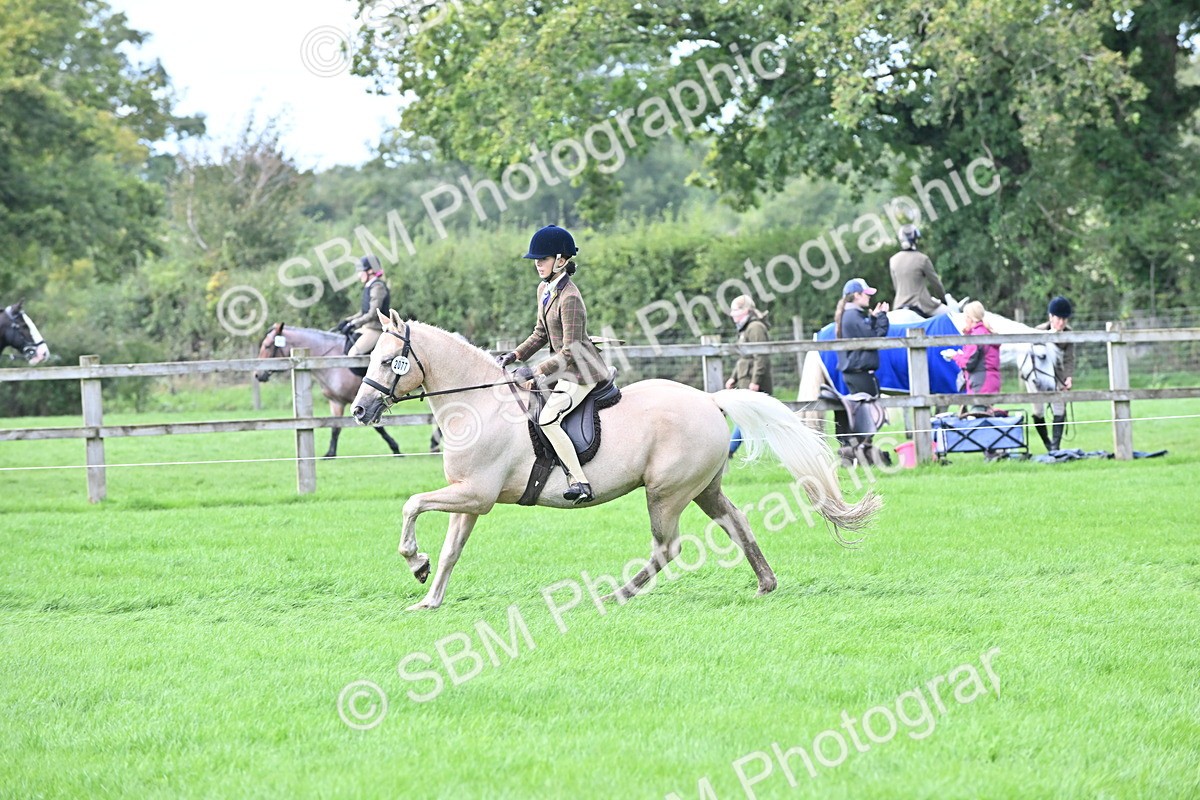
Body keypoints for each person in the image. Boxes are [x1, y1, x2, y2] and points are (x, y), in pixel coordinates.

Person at [495, 225, 608, 504]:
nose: (537, 264)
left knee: (548, 419)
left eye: (542, 259)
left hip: (580, 371)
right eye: (536, 259)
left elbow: (571, 350)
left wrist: (536, 370)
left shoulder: (570, 298)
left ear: (561, 260)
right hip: (561, 368)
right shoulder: (544, 290)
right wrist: (515, 355)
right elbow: (540, 333)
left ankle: (580, 482)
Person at [723, 295, 773, 457]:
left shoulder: (756, 328)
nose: (732, 314)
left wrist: (755, 381)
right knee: (749, 418)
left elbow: (761, 357)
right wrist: (733, 377)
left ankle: (729, 450)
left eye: (735, 310)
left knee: (747, 418)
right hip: (745, 380)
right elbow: (743, 358)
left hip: (752, 381)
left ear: (746, 310)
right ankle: (730, 450)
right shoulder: (745, 329)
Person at [1032, 295, 1076, 451]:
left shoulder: (1068, 334)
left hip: (1057, 376)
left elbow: (1069, 359)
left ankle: (1055, 447)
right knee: (1037, 411)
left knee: (1060, 408)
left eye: (1065, 319)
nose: (1062, 323)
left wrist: (1068, 377)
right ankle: (1047, 443)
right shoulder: (1037, 332)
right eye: (1059, 319)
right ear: (1051, 317)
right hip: (1037, 377)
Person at [834, 278, 890, 397]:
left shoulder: (848, 315)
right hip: (861, 374)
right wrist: (882, 317)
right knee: (873, 411)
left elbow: (865, 333)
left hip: (853, 373)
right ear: (857, 295)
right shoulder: (854, 316)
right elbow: (875, 339)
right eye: (866, 294)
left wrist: (873, 318)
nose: (869, 297)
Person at [946, 300, 1001, 414]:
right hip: (990, 381)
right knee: (987, 416)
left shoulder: (976, 336)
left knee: (979, 418)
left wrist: (954, 356)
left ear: (970, 318)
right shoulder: (986, 332)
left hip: (981, 384)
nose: (964, 320)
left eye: (965, 317)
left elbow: (968, 363)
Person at [337, 256, 391, 368]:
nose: (358, 275)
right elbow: (363, 312)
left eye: (361, 271)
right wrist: (348, 321)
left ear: (370, 271)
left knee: (353, 354)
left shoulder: (377, 287)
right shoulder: (369, 286)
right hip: (367, 327)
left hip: (375, 329)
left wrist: (353, 324)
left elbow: (373, 313)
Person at [890, 224, 949, 317]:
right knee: (948, 313)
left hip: (898, 305)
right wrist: (943, 299)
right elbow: (935, 283)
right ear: (915, 240)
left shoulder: (893, 260)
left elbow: (896, 286)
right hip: (921, 305)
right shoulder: (922, 259)